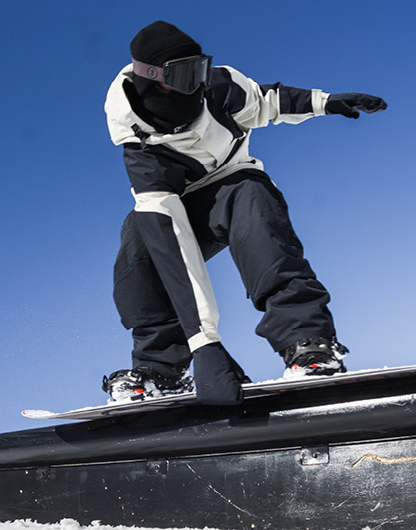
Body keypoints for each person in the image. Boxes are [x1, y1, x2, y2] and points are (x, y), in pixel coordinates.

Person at [101, 21, 387, 405]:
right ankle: (162, 369)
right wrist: (205, 345)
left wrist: (325, 102)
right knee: (139, 244)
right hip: (180, 202)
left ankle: (307, 342)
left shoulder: (220, 86)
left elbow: (269, 102)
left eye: (199, 69)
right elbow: (173, 243)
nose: (197, 84)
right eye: (185, 75)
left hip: (233, 180)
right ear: (153, 80)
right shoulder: (140, 145)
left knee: (252, 203)